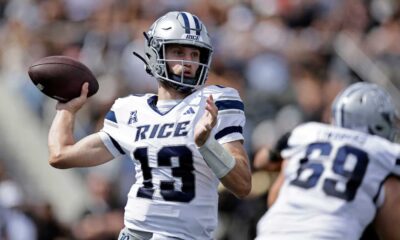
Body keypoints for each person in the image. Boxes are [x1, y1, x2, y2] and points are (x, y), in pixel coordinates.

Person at [47, 11, 251, 240]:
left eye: (195, 54)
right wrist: (66, 109)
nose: (188, 62)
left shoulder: (215, 102)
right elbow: (61, 155)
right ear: (156, 52)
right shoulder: (131, 110)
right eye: (178, 52)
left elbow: (242, 185)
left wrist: (207, 144)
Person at [256, 82, 400, 240]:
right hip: (329, 235)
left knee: (291, 164)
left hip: (271, 232)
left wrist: (277, 157)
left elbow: (260, 163)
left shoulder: (306, 134)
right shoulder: (384, 152)